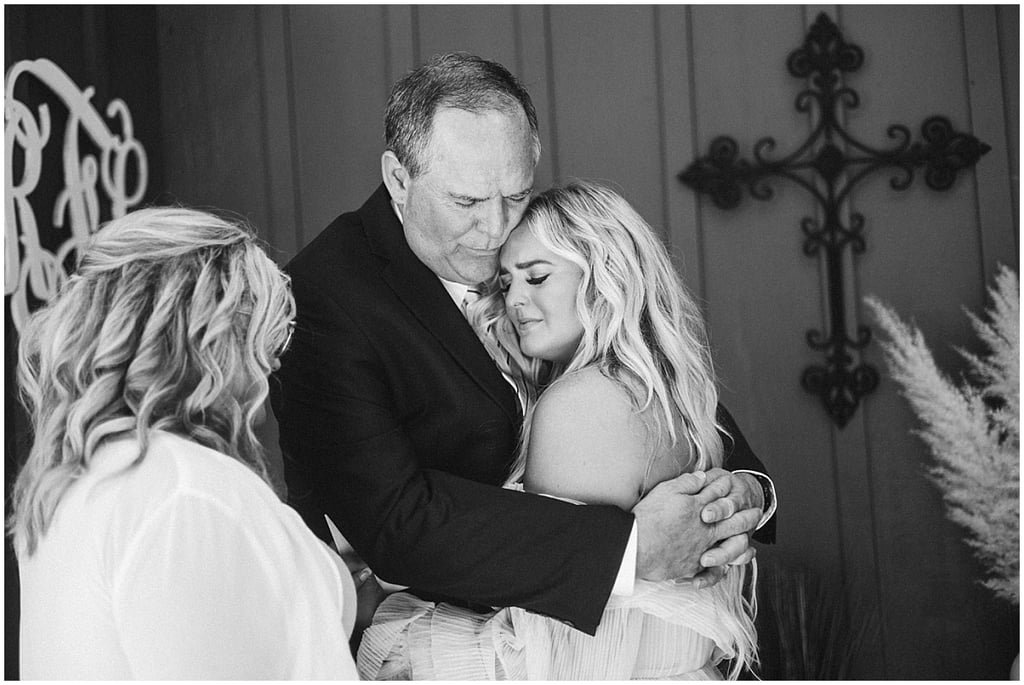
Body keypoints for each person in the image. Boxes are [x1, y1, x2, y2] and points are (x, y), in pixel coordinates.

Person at [271, 52, 775, 643]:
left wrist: (744, 491)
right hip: (436, 633)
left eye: (515, 195)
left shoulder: (534, 245)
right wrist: (633, 548)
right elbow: (397, 521)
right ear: (398, 179)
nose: (495, 229)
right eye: (466, 203)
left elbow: (645, 368)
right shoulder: (324, 295)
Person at [357, 180, 760, 680]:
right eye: (506, 284)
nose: (515, 301)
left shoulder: (579, 406)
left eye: (537, 277)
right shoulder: (679, 394)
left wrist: (393, 626)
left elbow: (560, 656)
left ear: (605, 275)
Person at [8, 208, 359, 679]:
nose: (270, 368)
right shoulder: (184, 491)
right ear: (210, 335)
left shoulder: (76, 481)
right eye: (263, 338)